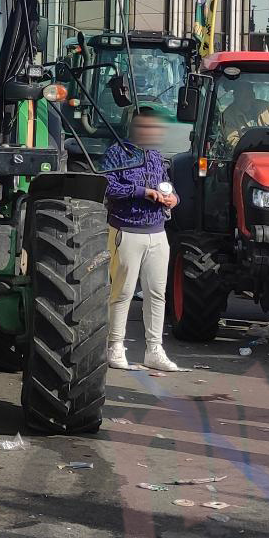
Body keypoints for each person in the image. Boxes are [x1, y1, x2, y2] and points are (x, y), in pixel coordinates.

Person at [104, 105, 181, 374]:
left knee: (156, 293)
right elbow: (107, 185)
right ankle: (115, 346)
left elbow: (168, 185)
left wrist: (173, 198)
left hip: (158, 232)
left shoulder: (156, 157)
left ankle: (154, 349)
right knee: (123, 292)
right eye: (146, 126)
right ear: (134, 127)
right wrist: (142, 192)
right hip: (126, 231)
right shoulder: (117, 153)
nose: (152, 131)